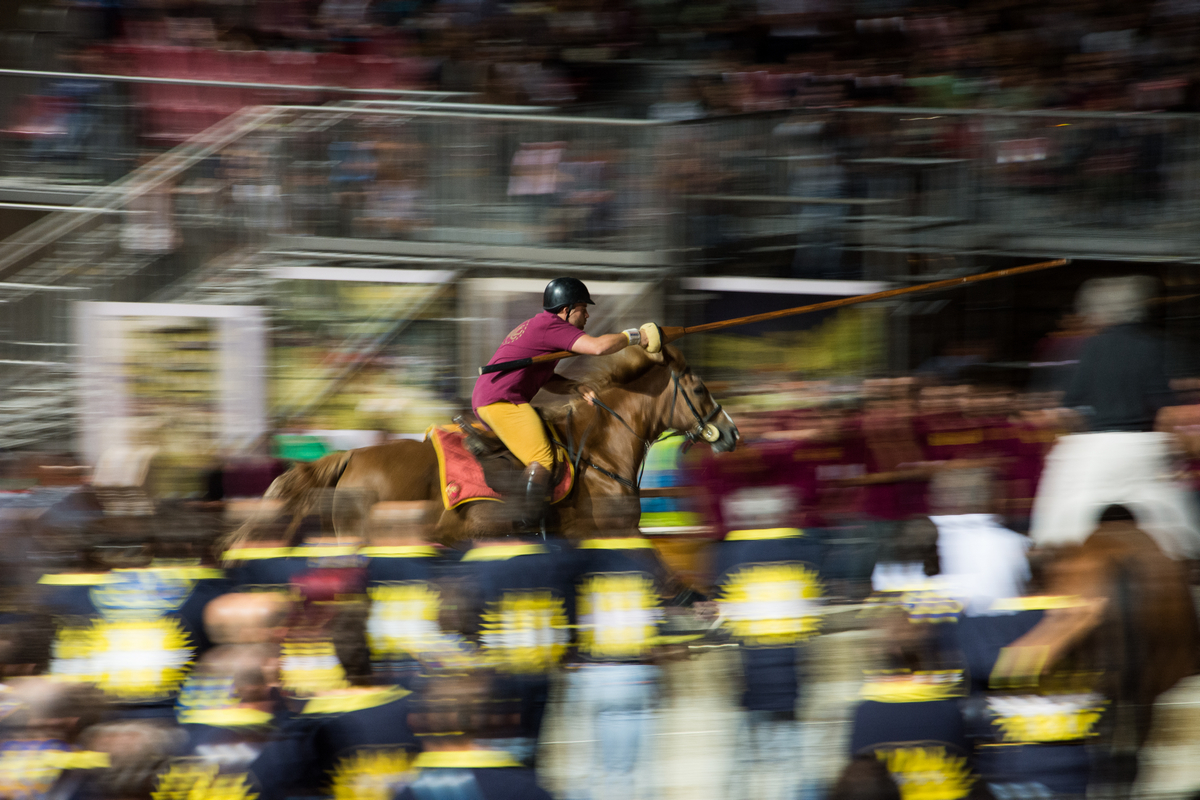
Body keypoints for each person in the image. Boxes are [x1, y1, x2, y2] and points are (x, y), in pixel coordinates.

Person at [471, 277, 661, 532]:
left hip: (494, 397)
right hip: (500, 401)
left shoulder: (540, 327)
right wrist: (637, 336)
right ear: (565, 310)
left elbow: (546, 379)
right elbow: (596, 347)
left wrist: (575, 387)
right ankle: (528, 527)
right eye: (583, 308)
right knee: (542, 458)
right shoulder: (552, 327)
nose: (587, 315)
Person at [1029, 276, 1200, 559]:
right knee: (1177, 538)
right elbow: (1167, 411)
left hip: (1090, 450)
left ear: (1095, 311)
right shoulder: (1156, 346)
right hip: (1145, 447)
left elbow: (1065, 412)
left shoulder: (1077, 348)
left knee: (1056, 537)